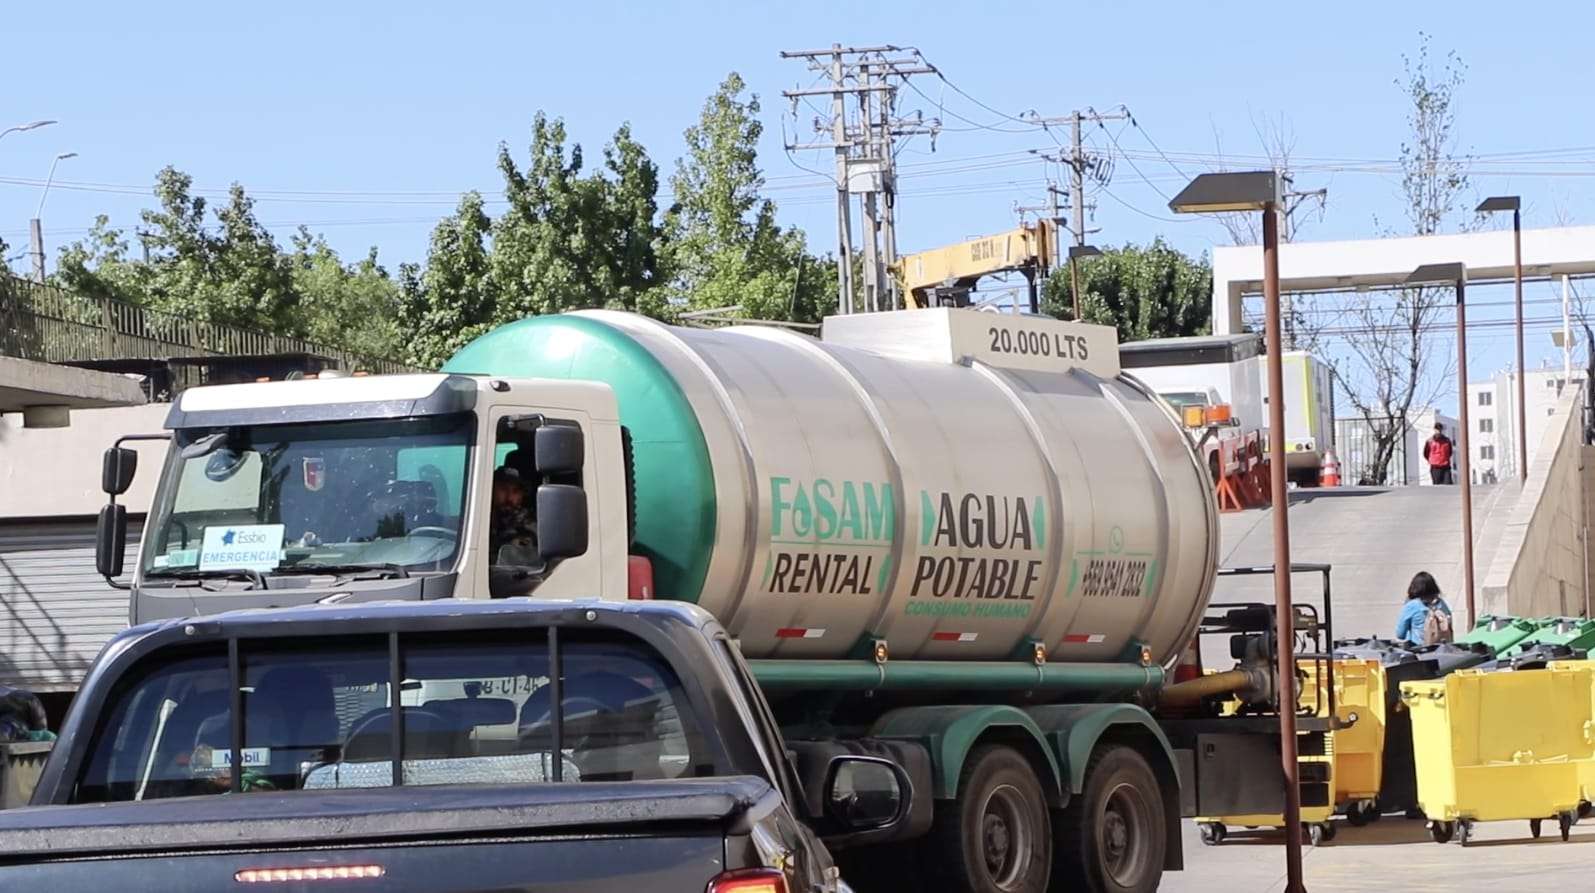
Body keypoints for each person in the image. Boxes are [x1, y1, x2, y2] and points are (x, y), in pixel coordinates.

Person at [490, 467, 537, 561]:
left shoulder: (527, 526)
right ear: (491, 489)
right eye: (503, 489)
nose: (509, 498)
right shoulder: (474, 521)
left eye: (515, 491)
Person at [1395, 571, 1453, 645]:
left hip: (1420, 648)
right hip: (1443, 648)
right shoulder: (1442, 604)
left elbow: (1400, 634)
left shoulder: (1412, 606)